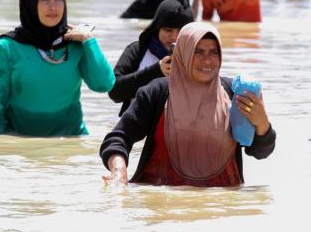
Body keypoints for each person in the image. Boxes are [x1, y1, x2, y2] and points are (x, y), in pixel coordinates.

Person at [99, 22, 276, 187]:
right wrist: (118, 171)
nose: (207, 60)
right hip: (162, 204)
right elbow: (118, 138)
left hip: (222, 208)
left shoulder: (233, 93)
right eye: (198, 51)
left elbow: (260, 152)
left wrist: (262, 123)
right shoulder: (157, 93)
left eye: (214, 52)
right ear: (183, 52)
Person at [0, 0, 115, 136]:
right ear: (30, 4)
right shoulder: (8, 47)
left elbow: (104, 85)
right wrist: (2, 147)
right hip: (22, 144)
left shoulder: (75, 43)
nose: (53, 7)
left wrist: (89, 41)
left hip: (72, 142)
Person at [109, 0, 194, 116]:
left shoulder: (198, 56)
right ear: (157, 28)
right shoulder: (137, 50)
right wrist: (157, 70)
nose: (174, 37)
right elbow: (114, 92)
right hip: (136, 126)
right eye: (167, 30)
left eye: (181, 31)